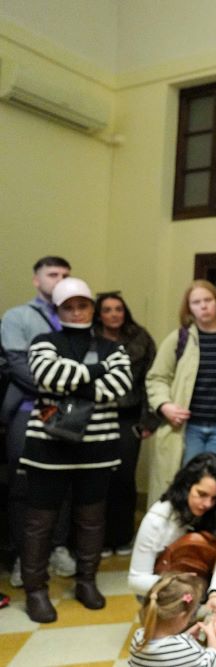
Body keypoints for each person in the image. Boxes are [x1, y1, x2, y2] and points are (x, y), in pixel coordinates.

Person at [20, 277, 133, 623]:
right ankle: (36, 590)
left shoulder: (114, 346)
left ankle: (86, 581)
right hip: (47, 447)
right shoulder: (44, 340)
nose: (77, 311)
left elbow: (120, 386)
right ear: (58, 309)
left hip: (98, 448)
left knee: (91, 519)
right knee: (40, 522)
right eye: (69, 305)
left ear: (92, 308)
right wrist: (96, 372)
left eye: (83, 304)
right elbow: (46, 375)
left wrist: (71, 383)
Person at [1, 256, 78, 588]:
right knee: (25, 485)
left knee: (62, 479)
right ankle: (23, 555)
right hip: (30, 409)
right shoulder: (17, 317)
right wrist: (63, 384)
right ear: (37, 280)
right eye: (52, 274)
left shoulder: (73, 316)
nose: (59, 279)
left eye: (65, 275)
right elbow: (16, 364)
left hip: (64, 411)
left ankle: (57, 547)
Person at [128, 453, 216, 647]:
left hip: (205, 583)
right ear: (187, 486)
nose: (207, 504)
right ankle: (181, 621)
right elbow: (136, 579)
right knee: (171, 644)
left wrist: (215, 594)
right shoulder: (158, 517)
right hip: (167, 587)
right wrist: (181, 588)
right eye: (201, 494)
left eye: (215, 498)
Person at [146, 280, 216, 506]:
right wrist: (165, 405)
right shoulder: (179, 338)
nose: (203, 306)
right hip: (186, 428)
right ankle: (184, 539)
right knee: (187, 487)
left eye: (208, 300)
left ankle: (213, 538)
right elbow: (157, 377)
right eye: (196, 302)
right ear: (189, 308)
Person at [94, 292, 159, 556]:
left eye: (118, 309)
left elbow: (151, 380)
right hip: (95, 415)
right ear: (99, 314)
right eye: (107, 310)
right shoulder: (88, 338)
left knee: (123, 477)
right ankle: (95, 539)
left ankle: (121, 537)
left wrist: (149, 419)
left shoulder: (140, 338)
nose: (113, 314)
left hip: (128, 417)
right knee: (97, 478)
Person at [129, 571, 216, 667]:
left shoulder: (138, 637)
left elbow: (170, 648)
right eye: (190, 615)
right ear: (181, 616)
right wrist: (211, 634)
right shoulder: (186, 648)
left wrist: (186, 636)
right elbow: (214, 661)